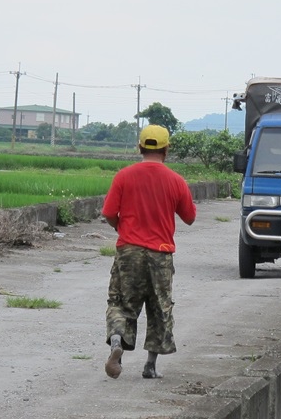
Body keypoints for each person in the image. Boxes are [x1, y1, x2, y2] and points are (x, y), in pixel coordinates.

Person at [102, 124, 196, 380]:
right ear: (166, 150)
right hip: (160, 253)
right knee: (158, 307)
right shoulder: (176, 181)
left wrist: (121, 227)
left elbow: (109, 213)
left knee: (121, 303)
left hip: (129, 250)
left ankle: (117, 343)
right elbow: (189, 217)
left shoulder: (124, 176)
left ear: (140, 147)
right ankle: (150, 365)